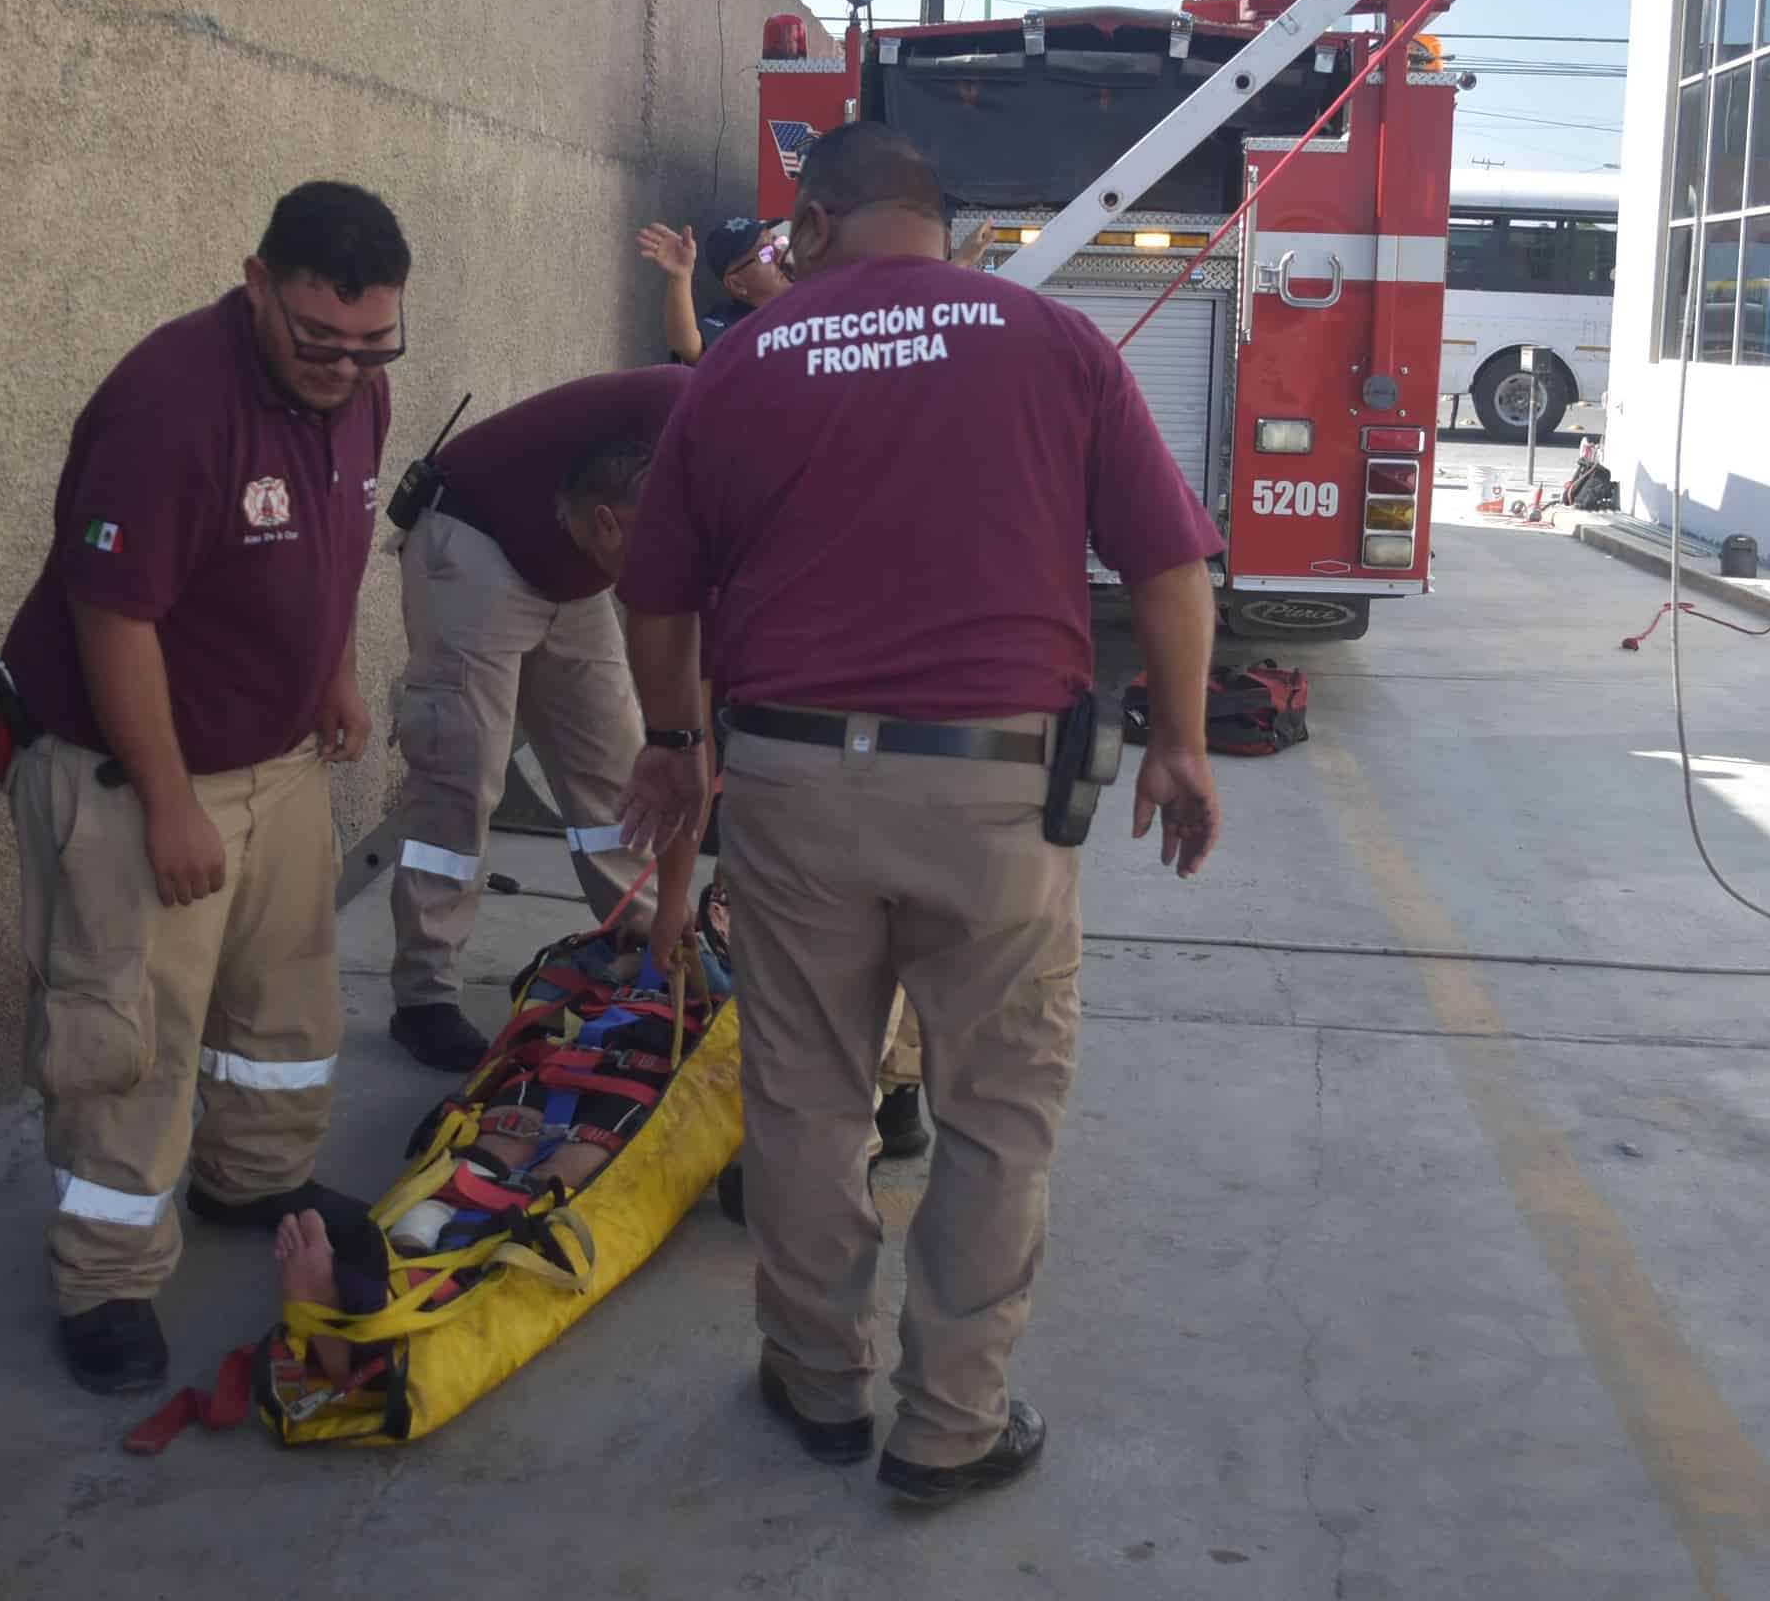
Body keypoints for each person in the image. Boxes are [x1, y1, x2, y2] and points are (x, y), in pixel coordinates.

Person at [615, 123, 1223, 1505]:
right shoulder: (1053, 340)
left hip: (789, 784)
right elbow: (1171, 559)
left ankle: (816, 1383)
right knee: (996, 1111)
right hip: (994, 793)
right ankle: (950, 1422)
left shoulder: (741, 361)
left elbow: (653, 593)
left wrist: (670, 741)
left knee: (806, 1090)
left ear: (815, 225)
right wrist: (1179, 744)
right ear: (936, 229)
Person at [0, 181, 407, 1395]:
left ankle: (254, 1178)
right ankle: (107, 1279)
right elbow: (111, 616)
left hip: (276, 759)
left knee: (281, 1006)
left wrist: (332, 674)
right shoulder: (169, 403)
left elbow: (332, 549)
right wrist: (169, 799)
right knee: (131, 1038)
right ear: (255, 282)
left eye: (371, 343)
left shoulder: (360, 392)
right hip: (137, 774)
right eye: (317, 340)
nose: (343, 367)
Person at [385, 365, 697, 1069]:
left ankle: (643, 941)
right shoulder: (687, 413)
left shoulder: (743, 451)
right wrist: (688, 737)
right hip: (475, 539)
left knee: (616, 764)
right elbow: (679, 635)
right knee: (462, 771)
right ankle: (424, 994)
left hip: (572, 566)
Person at [637, 216, 789, 364]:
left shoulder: (806, 294)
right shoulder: (734, 323)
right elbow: (688, 346)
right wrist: (681, 276)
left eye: (777, 242)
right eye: (765, 254)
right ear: (737, 284)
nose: (780, 255)